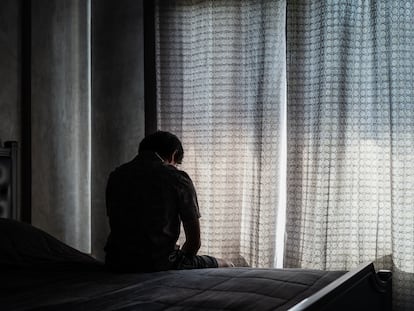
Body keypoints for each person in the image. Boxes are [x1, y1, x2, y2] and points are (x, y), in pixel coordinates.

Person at [104, 131, 233, 272]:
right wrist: (182, 262)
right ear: (173, 154)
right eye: (176, 163)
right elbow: (194, 242)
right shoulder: (177, 178)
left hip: (116, 262)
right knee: (227, 265)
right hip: (159, 263)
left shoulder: (116, 176)